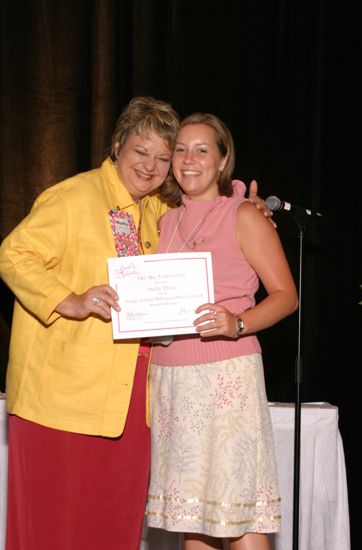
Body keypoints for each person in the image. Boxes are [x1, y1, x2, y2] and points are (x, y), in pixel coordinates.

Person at [0, 97, 270, 550]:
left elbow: (211, 211)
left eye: (163, 157)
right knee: (55, 529)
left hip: (130, 402)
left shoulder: (156, 213)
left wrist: (248, 203)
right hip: (63, 400)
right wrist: (71, 300)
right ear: (118, 145)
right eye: (140, 151)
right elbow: (13, 254)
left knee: (114, 527)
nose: (151, 165)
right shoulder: (74, 197)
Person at [146, 113, 298, 550]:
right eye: (180, 149)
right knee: (195, 514)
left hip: (227, 375)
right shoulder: (165, 221)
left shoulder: (243, 215)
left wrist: (238, 324)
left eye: (202, 150)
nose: (188, 160)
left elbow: (287, 295)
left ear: (223, 159)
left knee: (239, 511)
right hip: (173, 378)